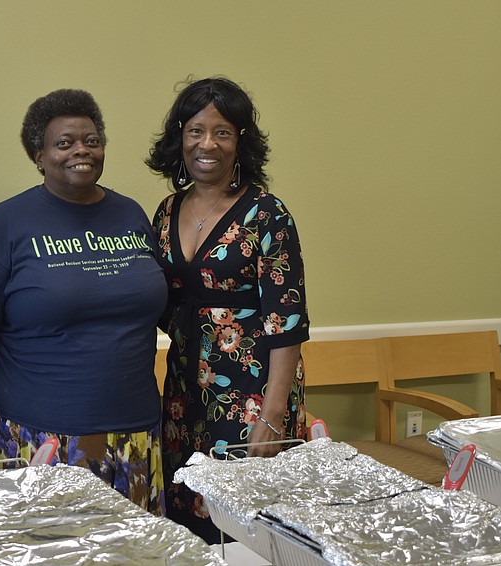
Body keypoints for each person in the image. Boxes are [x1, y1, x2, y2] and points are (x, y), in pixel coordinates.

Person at [0, 89, 167, 514]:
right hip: (41, 435)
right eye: (64, 143)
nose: (81, 151)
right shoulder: (7, 223)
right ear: (39, 155)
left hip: (135, 434)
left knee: (134, 557)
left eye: (91, 140)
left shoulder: (131, 215)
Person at [146, 77, 309, 543]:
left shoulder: (267, 214)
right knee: (188, 515)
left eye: (223, 132)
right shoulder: (165, 211)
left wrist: (273, 415)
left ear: (241, 142)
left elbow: (287, 320)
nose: (207, 143)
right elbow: (155, 298)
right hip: (183, 386)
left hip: (254, 390)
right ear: (180, 136)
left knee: (245, 520)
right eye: (196, 130)